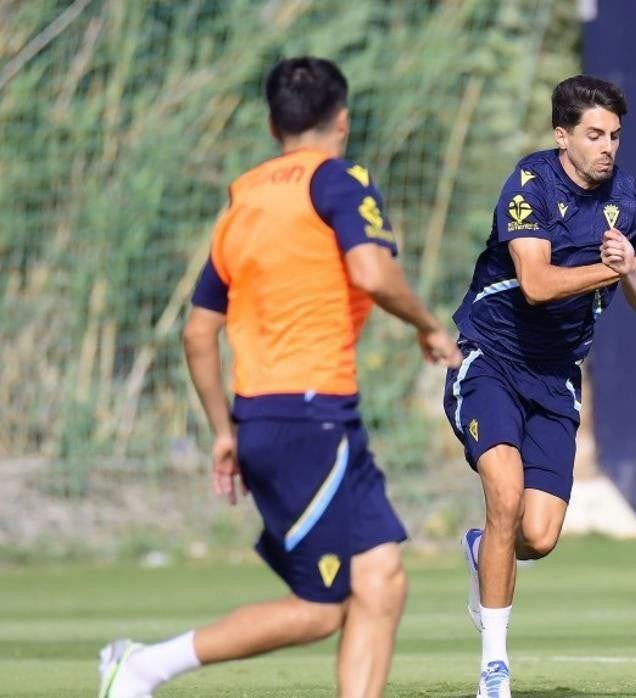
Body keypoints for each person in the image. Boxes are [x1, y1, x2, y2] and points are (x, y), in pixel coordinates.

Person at [97, 56, 460, 698]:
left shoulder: (244, 201)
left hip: (277, 416)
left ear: (273, 125)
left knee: (381, 576)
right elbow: (373, 274)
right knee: (321, 608)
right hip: (309, 417)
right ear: (341, 120)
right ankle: (143, 667)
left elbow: (196, 332)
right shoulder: (339, 180)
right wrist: (427, 326)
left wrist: (222, 431)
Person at [444, 74, 636, 698]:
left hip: (554, 379)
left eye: (615, 136)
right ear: (562, 136)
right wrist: (612, 266)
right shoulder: (530, 184)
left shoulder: (631, 197)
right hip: (490, 359)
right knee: (504, 492)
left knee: (538, 536)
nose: (607, 147)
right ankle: (494, 668)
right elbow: (536, 284)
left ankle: (484, 552)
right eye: (595, 135)